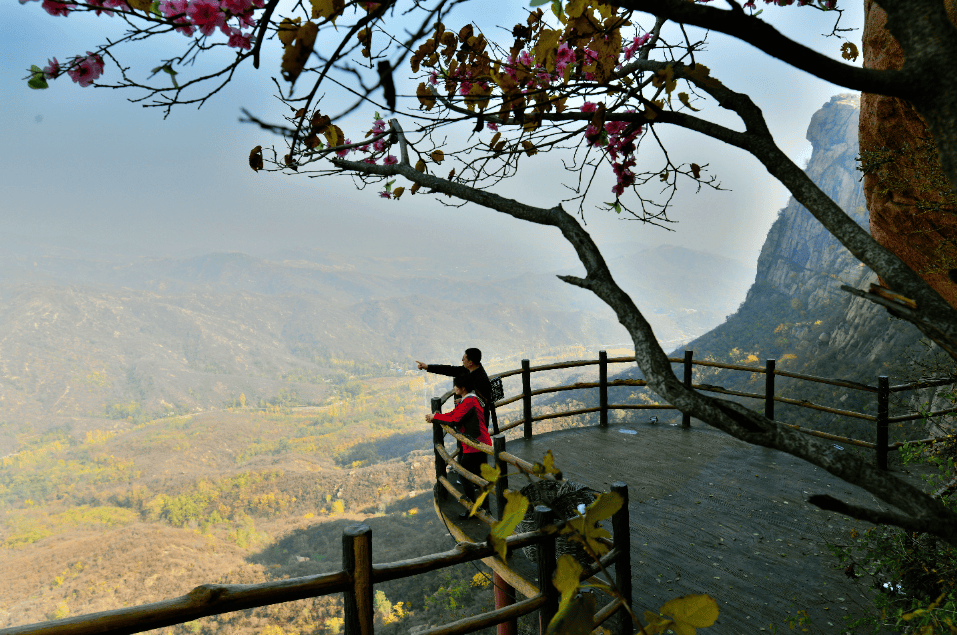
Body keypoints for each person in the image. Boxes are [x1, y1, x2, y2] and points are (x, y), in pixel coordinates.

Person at [425, 373, 491, 519]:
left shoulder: (468, 402)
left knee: (464, 473)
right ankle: (485, 508)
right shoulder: (472, 398)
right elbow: (456, 413)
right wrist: (439, 415)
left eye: (456, 386)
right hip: (481, 441)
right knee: (480, 475)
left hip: (474, 443)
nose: (454, 388)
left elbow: (454, 418)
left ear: (462, 388)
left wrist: (435, 417)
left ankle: (472, 508)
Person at [416, 347, 497, 432]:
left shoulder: (481, 379)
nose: (462, 360)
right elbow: (449, 370)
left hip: (478, 421)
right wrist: (428, 367)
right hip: (470, 417)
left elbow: (484, 400)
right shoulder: (468, 370)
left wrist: (465, 400)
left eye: (464, 358)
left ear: (470, 362)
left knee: (476, 442)